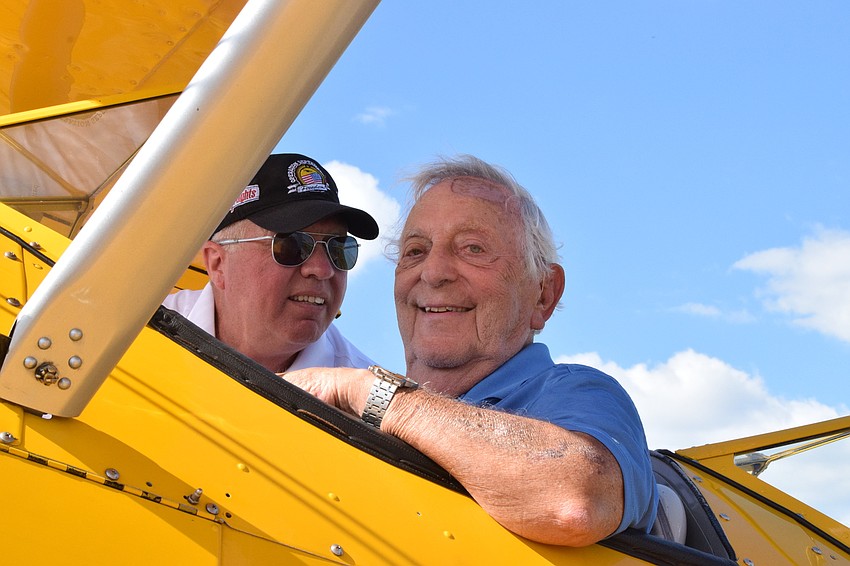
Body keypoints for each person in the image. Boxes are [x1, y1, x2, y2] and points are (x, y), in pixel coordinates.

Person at [284, 154, 658, 547]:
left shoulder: (579, 394)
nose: (433, 272)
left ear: (543, 295)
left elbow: (574, 500)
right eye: (416, 250)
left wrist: (376, 396)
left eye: (473, 248)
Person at [163, 153, 379, 373]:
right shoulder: (136, 336)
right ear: (218, 264)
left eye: (338, 248)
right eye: (291, 245)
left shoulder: (362, 400)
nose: (322, 269)